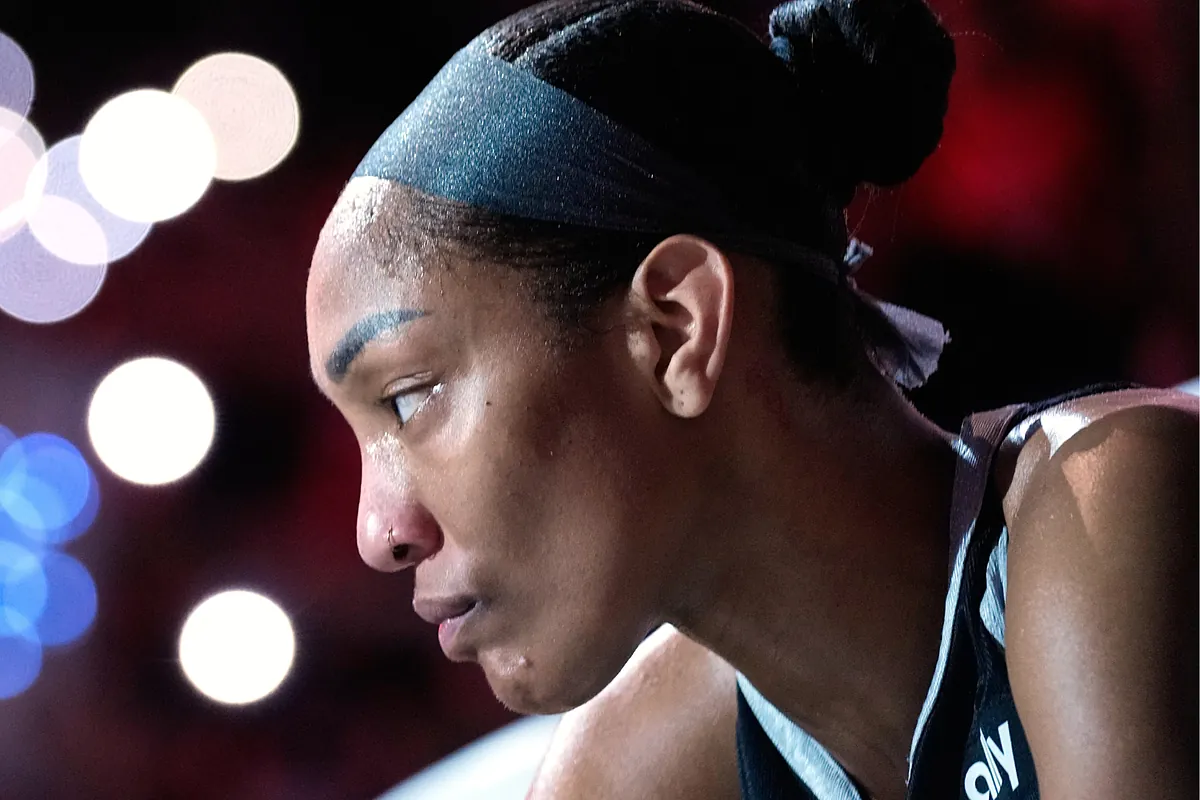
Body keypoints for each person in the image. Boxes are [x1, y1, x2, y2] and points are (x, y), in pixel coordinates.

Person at [304, 0, 1198, 797]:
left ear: (675, 329)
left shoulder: (1110, 501)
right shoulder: (632, 769)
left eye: (409, 398)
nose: (378, 534)